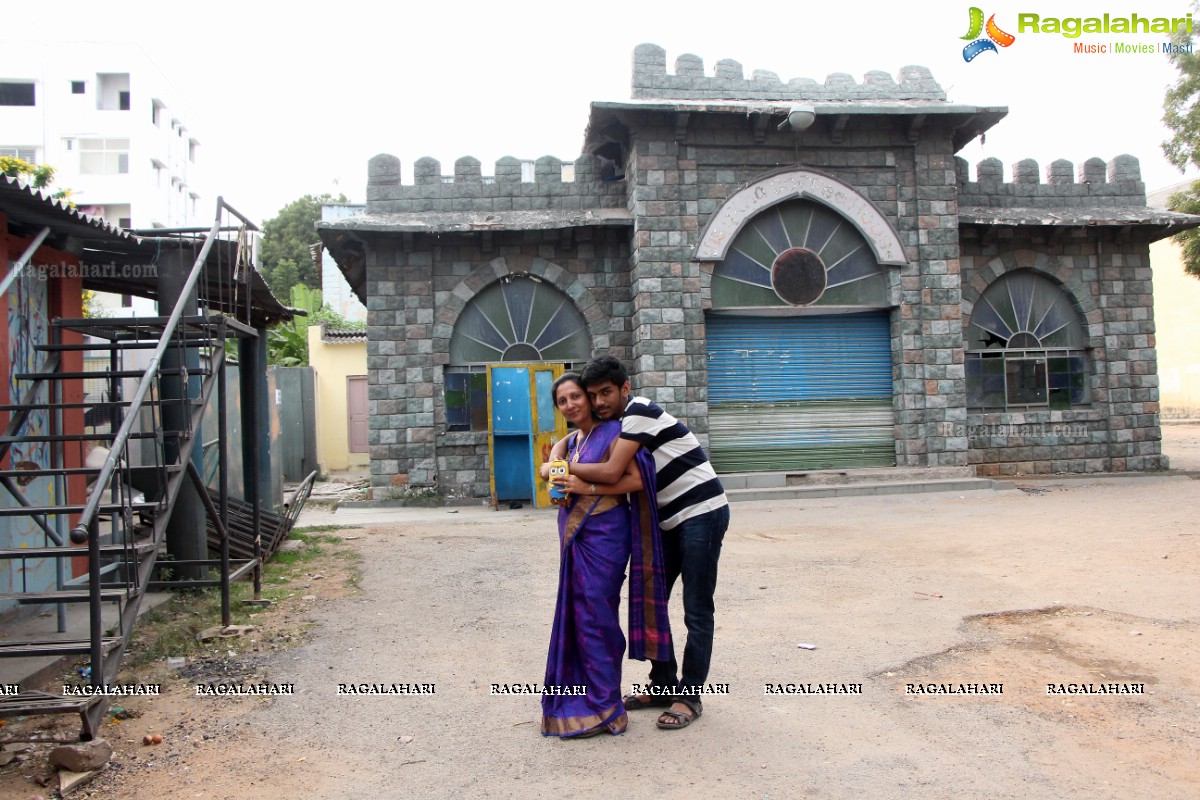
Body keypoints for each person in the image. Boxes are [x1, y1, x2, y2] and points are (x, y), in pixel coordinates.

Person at [547, 355, 729, 732]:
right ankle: (663, 685)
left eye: (605, 393)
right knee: (651, 600)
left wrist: (562, 470)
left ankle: (689, 696)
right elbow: (574, 434)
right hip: (666, 518)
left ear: (625, 389)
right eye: (592, 395)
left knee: (696, 607)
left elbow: (615, 471)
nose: (598, 402)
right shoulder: (616, 423)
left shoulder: (639, 412)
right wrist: (556, 453)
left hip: (701, 512)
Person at [539, 373, 672, 739]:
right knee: (580, 617)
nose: (571, 405)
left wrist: (585, 483)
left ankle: (607, 709)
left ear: (589, 398)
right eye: (563, 401)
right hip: (576, 536)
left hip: (607, 536)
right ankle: (585, 702)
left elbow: (635, 480)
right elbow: (558, 472)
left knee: (598, 617)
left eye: (576, 396)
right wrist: (553, 459)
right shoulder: (573, 441)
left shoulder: (614, 431)